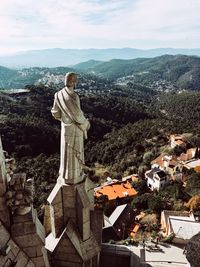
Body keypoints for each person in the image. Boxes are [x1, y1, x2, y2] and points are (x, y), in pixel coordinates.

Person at [51, 72, 90, 184]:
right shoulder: (74, 96)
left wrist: (64, 119)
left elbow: (55, 113)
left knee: (66, 152)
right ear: (74, 82)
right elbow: (78, 116)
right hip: (75, 129)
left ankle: (65, 175)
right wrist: (86, 124)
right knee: (75, 153)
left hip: (65, 128)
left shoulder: (58, 95)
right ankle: (76, 175)